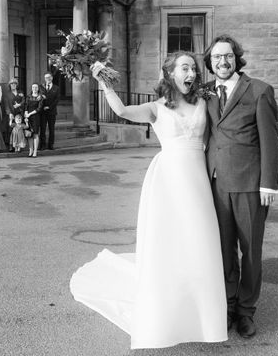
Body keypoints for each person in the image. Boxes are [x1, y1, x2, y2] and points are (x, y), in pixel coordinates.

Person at [70, 52, 227, 350]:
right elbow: (122, 111)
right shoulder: (156, 108)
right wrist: (104, 83)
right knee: (170, 241)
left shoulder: (204, 103)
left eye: (193, 68)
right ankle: (168, 308)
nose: (191, 72)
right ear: (169, 74)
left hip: (198, 180)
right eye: (184, 68)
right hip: (169, 179)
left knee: (200, 239)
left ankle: (205, 314)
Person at [203, 35, 278, 339]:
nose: (223, 62)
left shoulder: (259, 91)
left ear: (236, 58)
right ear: (209, 63)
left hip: (250, 185)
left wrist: (269, 183)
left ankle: (246, 311)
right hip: (216, 185)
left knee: (250, 252)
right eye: (216, 57)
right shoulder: (206, 93)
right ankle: (228, 305)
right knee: (222, 251)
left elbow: (270, 141)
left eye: (228, 56)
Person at [2, 78, 24, 150]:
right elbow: (6, 105)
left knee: (19, 130)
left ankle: (19, 145)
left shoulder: (20, 93)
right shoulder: (6, 94)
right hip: (11, 113)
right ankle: (11, 145)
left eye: (15, 83)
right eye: (12, 84)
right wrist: (9, 113)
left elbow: (24, 101)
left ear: (17, 85)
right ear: (9, 85)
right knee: (10, 130)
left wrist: (19, 105)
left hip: (19, 113)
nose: (13, 85)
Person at [39, 72, 59, 150]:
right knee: (42, 129)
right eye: (46, 77)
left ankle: (51, 145)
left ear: (52, 78)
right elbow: (38, 97)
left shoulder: (56, 88)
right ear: (44, 79)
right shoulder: (41, 87)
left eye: (49, 77)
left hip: (52, 111)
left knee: (51, 129)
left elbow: (57, 100)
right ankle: (42, 145)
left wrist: (49, 107)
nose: (48, 79)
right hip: (42, 111)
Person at [24, 83, 44, 158]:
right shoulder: (28, 96)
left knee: (35, 134)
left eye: (36, 87)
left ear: (38, 88)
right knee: (29, 134)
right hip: (28, 117)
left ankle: (35, 151)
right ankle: (31, 150)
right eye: (33, 87)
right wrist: (26, 114)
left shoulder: (40, 97)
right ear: (31, 88)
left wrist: (30, 114)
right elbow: (26, 105)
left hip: (36, 116)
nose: (34, 88)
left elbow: (39, 108)